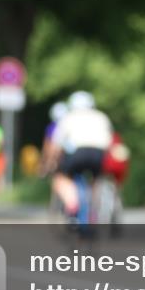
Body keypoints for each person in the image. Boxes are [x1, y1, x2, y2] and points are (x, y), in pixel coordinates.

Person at [50, 91, 113, 219]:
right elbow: (110, 141)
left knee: (60, 178)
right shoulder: (101, 116)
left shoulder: (68, 117)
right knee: (96, 180)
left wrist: (52, 161)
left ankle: (73, 204)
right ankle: (94, 208)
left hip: (77, 153)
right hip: (98, 153)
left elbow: (56, 143)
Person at [41, 101, 69, 175]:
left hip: (56, 156)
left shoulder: (52, 127)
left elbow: (47, 145)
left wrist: (45, 162)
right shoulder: (71, 124)